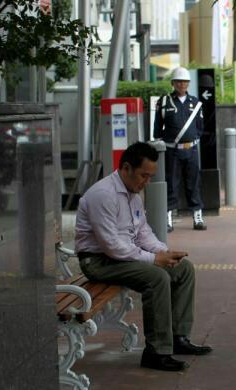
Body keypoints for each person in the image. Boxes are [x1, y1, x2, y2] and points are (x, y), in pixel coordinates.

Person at [74, 142, 213, 372]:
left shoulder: (133, 195)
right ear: (126, 168)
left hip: (119, 256)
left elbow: (142, 232)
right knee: (157, 277)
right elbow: (111, 246)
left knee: (183, 269)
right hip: (98, 261)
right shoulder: (103, 194)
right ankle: (156, 352)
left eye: (150, 177)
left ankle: (178, 337)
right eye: (143, 176)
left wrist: (163, 253)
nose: (146, 182)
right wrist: (153, 260)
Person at [153, 67, 206, 232]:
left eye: (184, 81)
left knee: (193, 184)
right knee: (171, 184)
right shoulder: (164, 102)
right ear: (173, 83)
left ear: (188, 83)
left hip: (191, 150)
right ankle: (168, 218)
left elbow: (200, 127)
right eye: (178, 81)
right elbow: (157, 129)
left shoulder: (196, 103)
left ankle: (197, 217)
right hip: (172, 151)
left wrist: (192, 139)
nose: (181, 84)